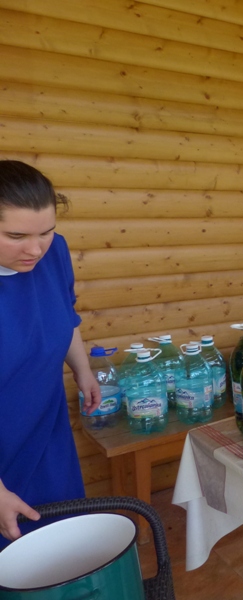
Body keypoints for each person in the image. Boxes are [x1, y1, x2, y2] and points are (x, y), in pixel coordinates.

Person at [0, 161, 101, 546]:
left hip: (46, 425)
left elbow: (64, 312)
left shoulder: (54, 252)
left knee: (61, 537)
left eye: (46, 231)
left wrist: (82, 370)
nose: (35, 249)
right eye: (16, 235)